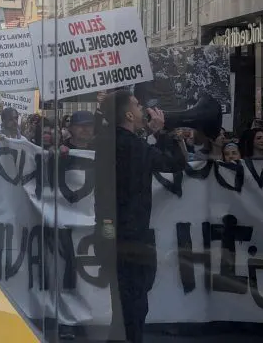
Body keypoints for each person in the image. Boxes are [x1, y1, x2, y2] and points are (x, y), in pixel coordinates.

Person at [94, 90, 187, 343]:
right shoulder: (134, 147)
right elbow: (175, 163)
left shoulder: (108, 142)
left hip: (114, 236)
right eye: (136, 104)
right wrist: (160, 132)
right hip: (131, 240)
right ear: (127, 114)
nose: (141, 107)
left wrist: (106, 237)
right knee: (134, 309)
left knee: (122, 309)